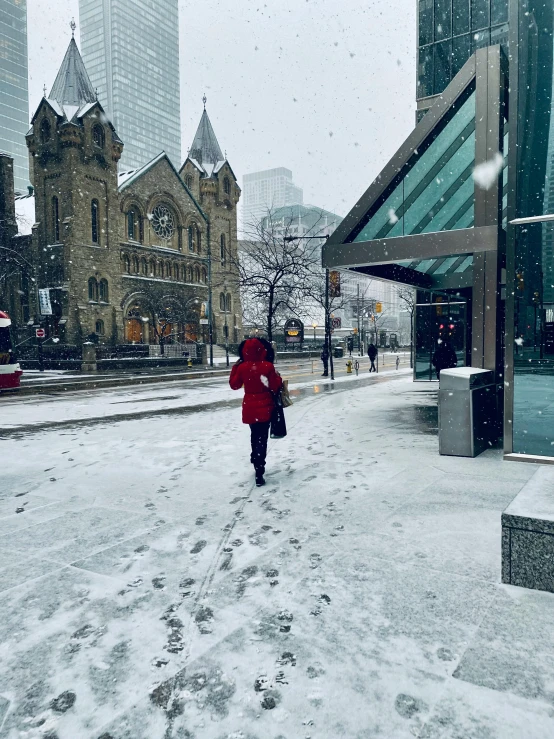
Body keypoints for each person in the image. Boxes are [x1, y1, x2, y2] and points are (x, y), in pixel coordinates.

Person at [230, 337, 283, 487]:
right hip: (266, 407)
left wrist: (235, 367)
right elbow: (274, 386)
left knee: (254, 435)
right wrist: (277, 377)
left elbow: (234, 385)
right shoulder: (267, 366)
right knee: (262, 437)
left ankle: (255, 457)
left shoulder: (243, 367)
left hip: (250, 408)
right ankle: (260, 467)